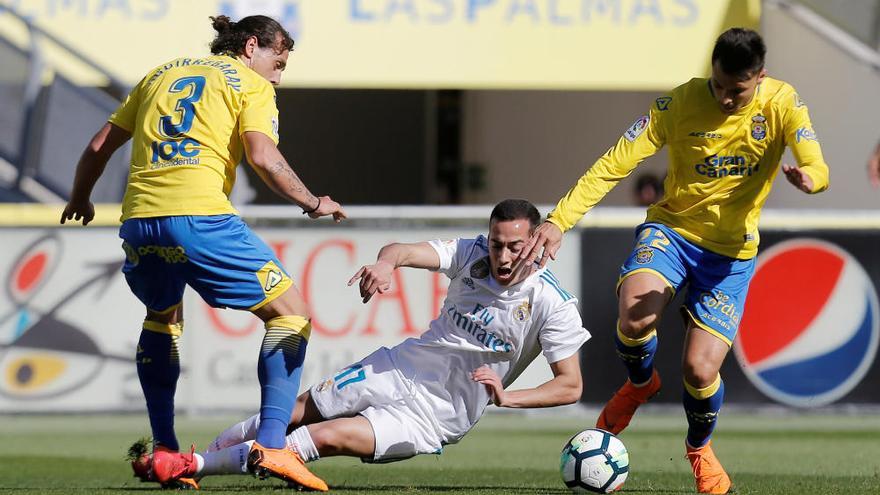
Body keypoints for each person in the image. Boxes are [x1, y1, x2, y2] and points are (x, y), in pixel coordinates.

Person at [520, 28, 829, 494]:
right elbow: (614, 162)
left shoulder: (783, 103)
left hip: (730, 255)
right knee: (635, 313)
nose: (725, 98)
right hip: (672, 232)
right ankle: (640, 383)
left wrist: (812, 179)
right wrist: (559, 220)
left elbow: (817, 162)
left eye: (737, 91)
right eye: (719, 85)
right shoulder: (679, 104)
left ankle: (699, 449)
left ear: (759, 77)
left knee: (701, 371)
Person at [59, 14, 345, 491]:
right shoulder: (252, 86)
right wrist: (313, 202)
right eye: (278, 61)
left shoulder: (160, 73)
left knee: (162, 316)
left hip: (140, 222)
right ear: (252, 46)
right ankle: (273, 447)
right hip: (200, 218)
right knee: (291, 315)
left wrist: (80, 197)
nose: (278, 74)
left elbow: (96, 147)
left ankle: (166, 452)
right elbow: (263, 156)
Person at [148, 199, 590, 484]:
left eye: (514, 246)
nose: (503, 256)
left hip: (436, 418)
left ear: (535, 240)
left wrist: (507, 399)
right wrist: (385, 265)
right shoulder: (470, 252)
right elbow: (401, 249)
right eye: (497, 244)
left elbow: (570, 385)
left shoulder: (552, 301)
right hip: (399, 368)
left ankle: (195, 466)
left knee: (323, 437)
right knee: (293, 412)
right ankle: (192, 463)